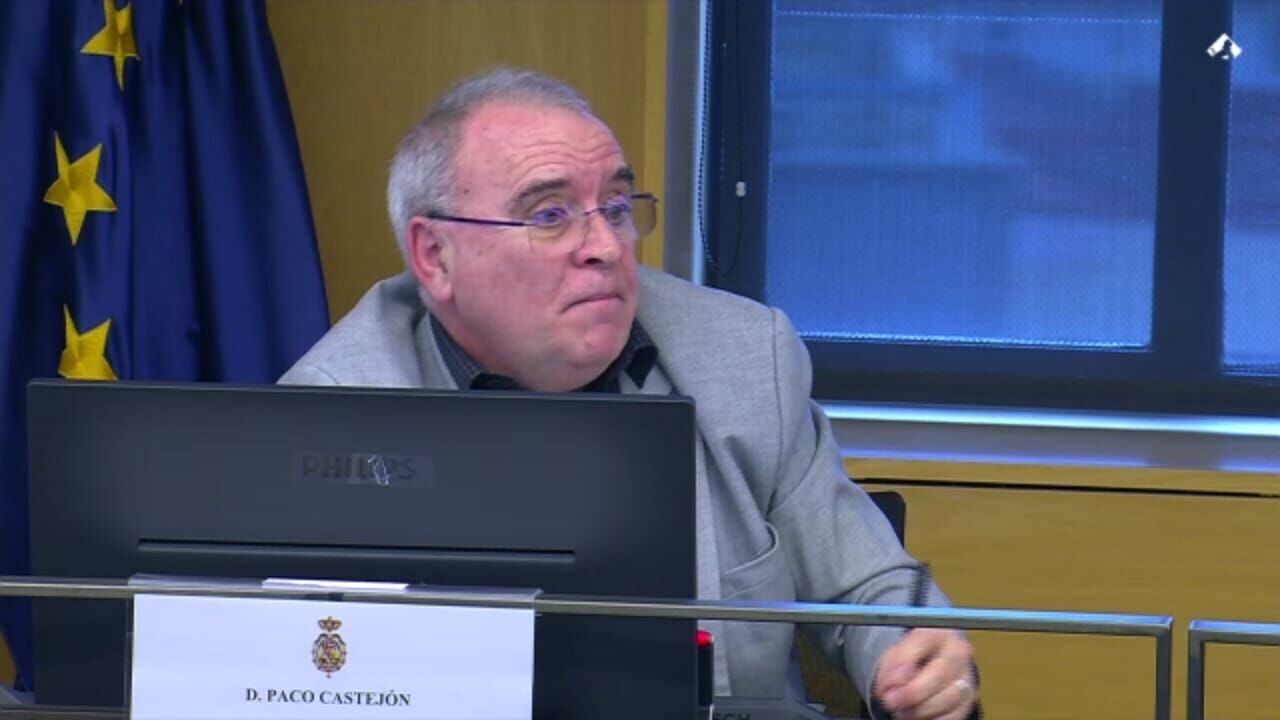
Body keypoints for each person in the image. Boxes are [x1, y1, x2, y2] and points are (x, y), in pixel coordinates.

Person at [281, 67, 978, 720]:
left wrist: (915, 657)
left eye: (615, 207)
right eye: (550, 215)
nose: (607, 246)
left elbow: (869, 587)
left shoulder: (743, 358)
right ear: (435, 256)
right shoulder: (337, 412)